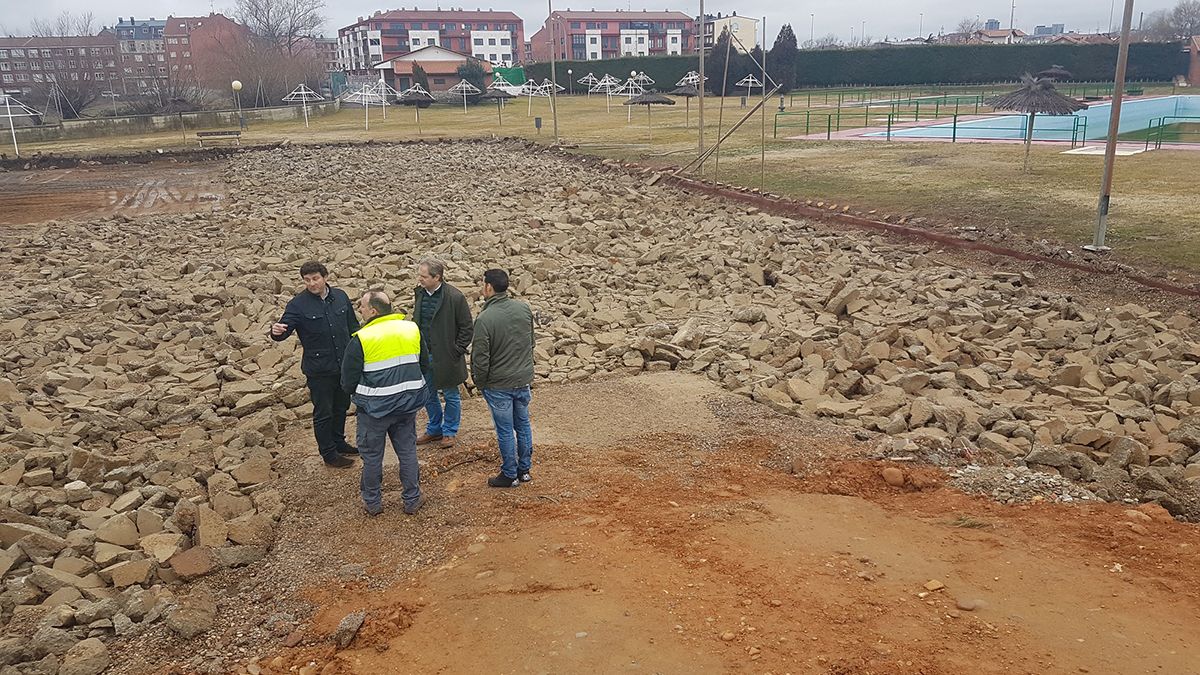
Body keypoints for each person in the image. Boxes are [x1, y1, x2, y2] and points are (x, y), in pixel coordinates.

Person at [341, 290, 430, 516]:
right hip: (407, 405)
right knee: (408, 452)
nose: (359, 310)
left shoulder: (362, 338)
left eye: (361, 306)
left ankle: (373, 503)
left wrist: (362, 395)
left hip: (374, 410)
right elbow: (425, 364)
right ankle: (412, 499)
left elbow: (347, 381)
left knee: (372, 457)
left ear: (373, 311)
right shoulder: (411, 329)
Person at [271, 261, 359, 469]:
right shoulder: (297, 305)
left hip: (343, 365)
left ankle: (339, 442)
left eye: (315, 279)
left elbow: (353, 327)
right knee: (323, 411)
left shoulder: (341, 297)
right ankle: (328, 453)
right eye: (307, 280)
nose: (312, 283)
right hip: (319, 369)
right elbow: (283, 331)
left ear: (325, 277)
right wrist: (275, 332)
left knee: (342, 406)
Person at [471, 269, 536, 488]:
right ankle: (524, 469)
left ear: (488, 287)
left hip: (499, 384)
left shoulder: (484, 319)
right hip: (522, 379)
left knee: (506, 430)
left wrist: (480, 383)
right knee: (523, 424)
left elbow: (480, 359)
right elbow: (531, 342)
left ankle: (510, 474)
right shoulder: (524, 309)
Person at [412, 258, 474, 449]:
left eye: (423, 276)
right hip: (424, 354)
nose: (419, 279)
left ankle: (449, 431)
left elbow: (467, 328)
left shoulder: (455, 297)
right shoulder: (420, 294)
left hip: (447, 356)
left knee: (451, 394)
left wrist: (456, 350)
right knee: (428, 394)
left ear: (436, 277)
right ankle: (434, 429)